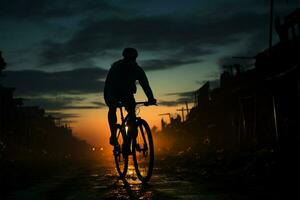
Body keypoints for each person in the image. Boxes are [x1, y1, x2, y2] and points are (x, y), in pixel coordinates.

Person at [104, 48, 156, 146]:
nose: (130, 61)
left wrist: (151, 98)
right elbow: (110, 84)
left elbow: (145, 85)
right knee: (112, 108)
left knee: (132, 114)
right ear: (124, 58)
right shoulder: (117, 67)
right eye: (128, 59)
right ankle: (113, 136)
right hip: (112, 90)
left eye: (132, 59)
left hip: (127, 93)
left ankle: (127, 143)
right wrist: (113, 102)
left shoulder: (137, 70)